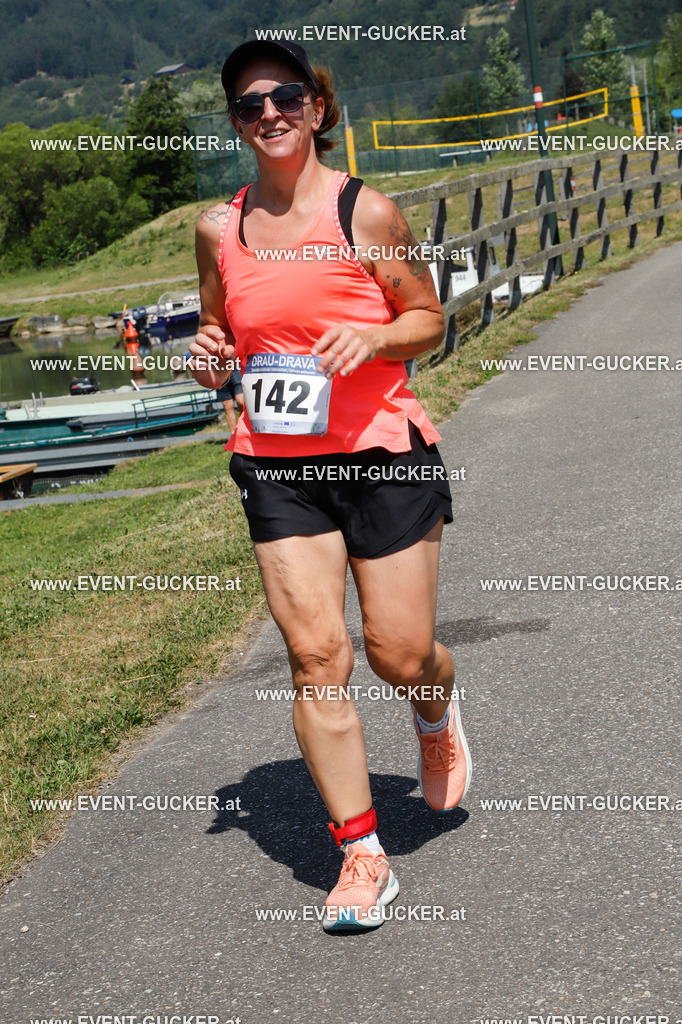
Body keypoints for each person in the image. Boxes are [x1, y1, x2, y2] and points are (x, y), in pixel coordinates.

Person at [189, 39, 472, 932]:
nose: (268, 113)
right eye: (248, 105)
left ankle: (433, 706)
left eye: (284, 97)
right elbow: (215, 326)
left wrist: (375, 341)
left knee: (397, 652)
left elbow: (427, 316)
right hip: (277, 465)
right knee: (317, 657)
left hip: (381, 457)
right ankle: (361, 853)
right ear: (237, 123)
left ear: (315, 107)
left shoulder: (368, 212)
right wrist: (211, 355)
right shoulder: (217, 227)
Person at [215, 366, 244, 432]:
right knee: (227, 404)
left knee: (241, 401)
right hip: (219, 371)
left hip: (235, 369)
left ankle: (245, 429)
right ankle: (234, 435)